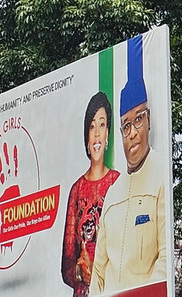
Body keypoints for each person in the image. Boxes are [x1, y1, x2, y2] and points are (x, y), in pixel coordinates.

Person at [92, 36, 167, 294]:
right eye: (126, 125)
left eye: (138, 120)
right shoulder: (112, 194)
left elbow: (166, 259)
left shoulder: (161, 178)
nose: (133, 132)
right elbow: (98, 273)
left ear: (149, 121)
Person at [61, 92, 120, 297]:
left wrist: (96, 272)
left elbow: (128, 249)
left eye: (102, 125)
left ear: (108, 134)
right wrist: (79, 271)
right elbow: (66, 262)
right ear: (86, 134)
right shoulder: (76, 190)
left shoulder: (118, 182)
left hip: (112, 290)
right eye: (92, 126)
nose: (96, 134)